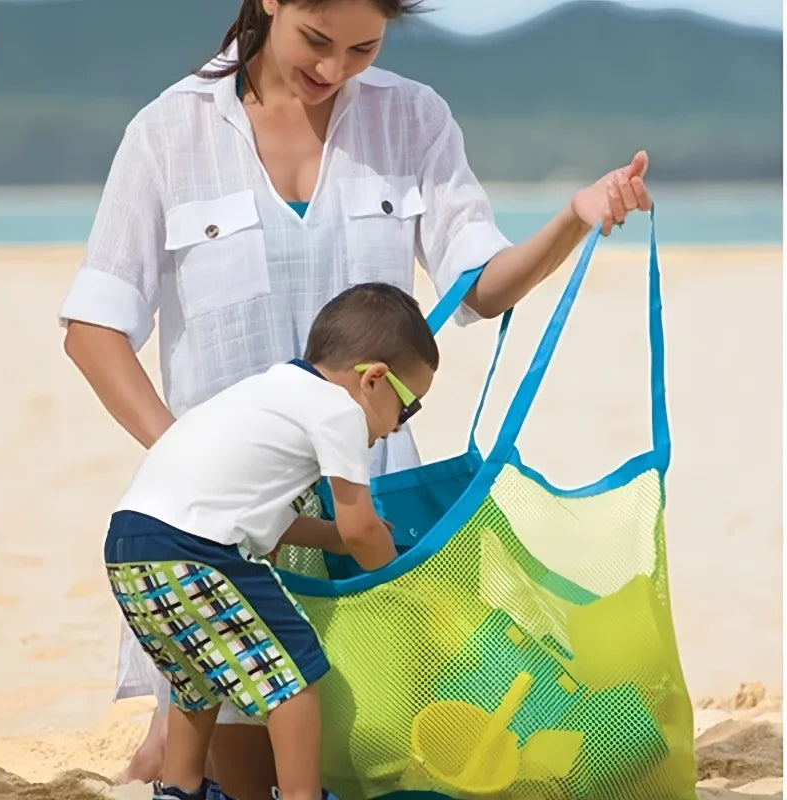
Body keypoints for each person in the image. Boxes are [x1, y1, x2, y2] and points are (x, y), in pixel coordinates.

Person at [59, 0, 652, 795]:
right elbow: (94, 329)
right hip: (228, 540)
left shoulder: (413, 118)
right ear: (270, 2)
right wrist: (190, 463)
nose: (333, 70)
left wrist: (575, 218)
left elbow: (481, 286)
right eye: (315, 40)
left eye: (362, 48)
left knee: (373, 757)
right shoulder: (168, 131)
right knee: (248, 769)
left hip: (361, 510)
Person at [104, 283, 437, 800]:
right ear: (374, 379)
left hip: (131, 545)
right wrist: (399, 583)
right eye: (408, 408)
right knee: (295, 673)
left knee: (198, 678)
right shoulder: (340, 411)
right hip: (197, 551)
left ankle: (180, 788)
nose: (397, 429)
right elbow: (361, 526)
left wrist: (330, 538)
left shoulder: (273, 388)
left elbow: (261, 515)